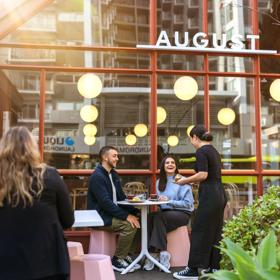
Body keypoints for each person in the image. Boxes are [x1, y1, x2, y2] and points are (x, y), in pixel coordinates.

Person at [0, 126, 74, 280]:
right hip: (48, 263)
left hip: (6, 264)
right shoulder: (50, 175)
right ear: (32, 147)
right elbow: (68, 220)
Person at [173, 125, 227, 280]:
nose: (191, 142)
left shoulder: (201, 151)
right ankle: (213, 268)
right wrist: (192, 182)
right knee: (215, 231)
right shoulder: (214, 151)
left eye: (191, 138)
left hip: (210, 195)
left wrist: (184, 181)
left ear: (195, 137)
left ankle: (192, 270)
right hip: (219, 193)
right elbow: (209, 177)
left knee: (199, 230)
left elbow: (203, 174)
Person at [87, 145, 141, 273]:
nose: (117, 158)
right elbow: (105, 203)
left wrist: (134, 212)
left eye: (117, 155)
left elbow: (120, 197)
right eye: (114, 156)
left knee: (139, 221)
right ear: (105, 158)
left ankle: (126, 254)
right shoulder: (97, 176)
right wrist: (126, 216)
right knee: (129, 225)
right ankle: (117, 260)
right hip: (100, 217)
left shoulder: (113, 174)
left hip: (110, 214)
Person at [144, 155, 194, 271]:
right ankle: (153, 254)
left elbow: (188, 204)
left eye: (172, 162)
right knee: (150, 217)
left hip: (182, 214)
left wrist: (169, 201)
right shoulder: (159, 182)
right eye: (167, 163)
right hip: (166, 213)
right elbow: (162, 204)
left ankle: (161, 253)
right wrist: (157, 201)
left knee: (159, 217)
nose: (170, 164)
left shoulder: (182, 180)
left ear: (176, 166)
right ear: (163, 166)